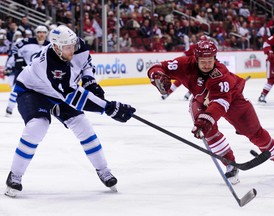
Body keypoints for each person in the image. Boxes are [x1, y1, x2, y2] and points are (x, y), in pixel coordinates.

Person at [4, 25, 136, 197]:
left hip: (58, 92)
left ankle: (103, 170)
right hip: (32, 91)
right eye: (67, 48)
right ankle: (15, 175)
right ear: (56, 47)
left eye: (72, 45)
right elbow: (74, 97)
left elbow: (86, 63)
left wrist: (90, 81)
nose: (72, 50)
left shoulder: (77, 45)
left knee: (83, 125)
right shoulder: (49, 64)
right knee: (38, 126)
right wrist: (108, 108)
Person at [147, 40, 274, 185]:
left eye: (210, 61)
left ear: (215, 58)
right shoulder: (184, 64)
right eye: (203, 61)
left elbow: (220, 103)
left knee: (255, 132)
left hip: (232, 99)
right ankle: (229, 163)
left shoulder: (220, 74)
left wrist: (206, 119)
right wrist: (157, 76)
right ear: (196, 59)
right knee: (209, 132)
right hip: (201, 99)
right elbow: (157, 67)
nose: (207, 65)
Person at [5, 25, 50, 116]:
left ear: (46, 34)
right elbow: (14, 48)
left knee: (45, 92)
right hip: (25, 71)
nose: (41, 34)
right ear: (36, 33)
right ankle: (10, 108)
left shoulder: (50, 45)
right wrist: (17, 59)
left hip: (41, 73)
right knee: (16, 89)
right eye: (39, 32)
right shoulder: (27, 42)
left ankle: (44, 110)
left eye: (43, 32)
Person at [161, 35, 209, 101]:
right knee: (180, 80)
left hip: (198, 70)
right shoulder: (193, 47)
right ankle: (168, 93)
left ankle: (188, 94)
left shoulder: (207, 50)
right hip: (189, 67)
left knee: (197, 82)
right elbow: (184, 55)